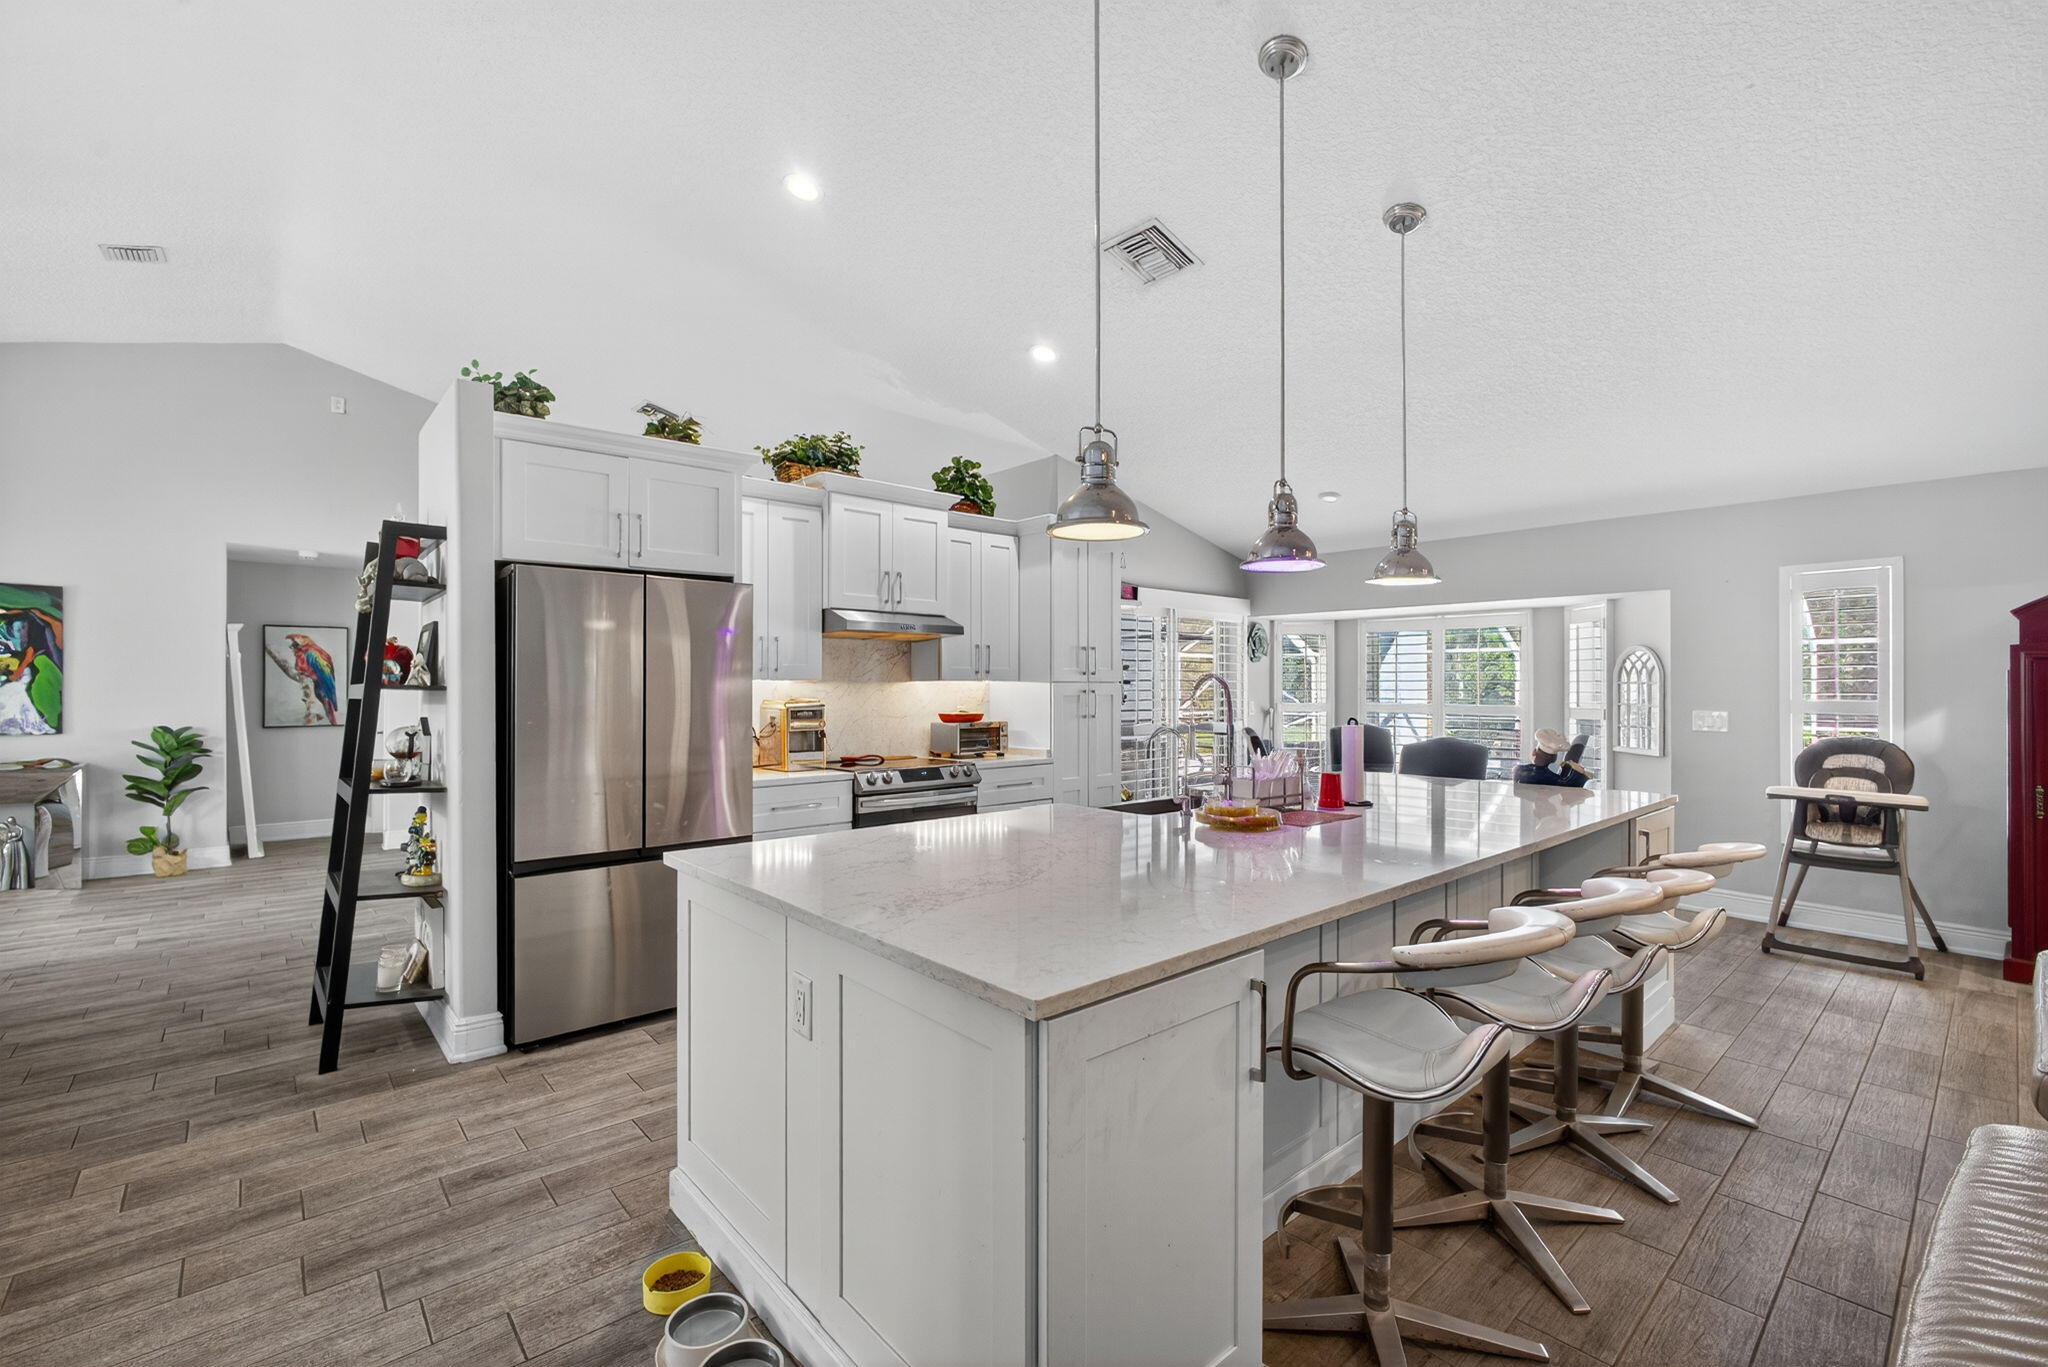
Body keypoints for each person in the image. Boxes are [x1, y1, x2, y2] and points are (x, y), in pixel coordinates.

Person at [1514, 728, 1591, 787]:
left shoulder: (1518, 770)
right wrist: (1579, 773)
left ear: (1534, 752)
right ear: (1554, 759)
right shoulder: (1554, 778)